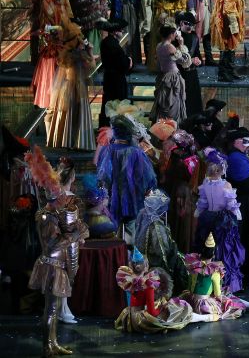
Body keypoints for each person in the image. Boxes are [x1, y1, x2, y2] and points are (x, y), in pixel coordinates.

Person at [26, 147, 88, 355]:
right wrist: (74, 235)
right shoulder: (47, 216)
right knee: (51, 308)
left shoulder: (51, 213)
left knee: (53, 308)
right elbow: (53, 245)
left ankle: (53, 343)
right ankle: (48, 346)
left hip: (56, 264)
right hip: (52, 265)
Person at [182, 233, 249, 319]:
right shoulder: (214, 272)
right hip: (204, 306)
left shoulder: (193, 266)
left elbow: (190, 287)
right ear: (213, 254)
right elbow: (218, 294)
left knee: (227, 295)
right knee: (229, 299)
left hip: (192, 301)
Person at [114, 248, 207, 332]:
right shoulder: (148, 284)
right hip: (140, 321)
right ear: (146, 265)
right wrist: (162, 309)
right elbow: (152, 312)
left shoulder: (130, 281)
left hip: (131, 317)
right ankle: (201, 317)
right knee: (178, 310)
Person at [97, 115, 158, 238]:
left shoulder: (107, 150)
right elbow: (148, 178)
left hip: (112, 202)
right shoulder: (136, 153)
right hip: (133, 201)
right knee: (132, 233)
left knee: (113, 233)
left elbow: (103, 177)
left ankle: (117, 247)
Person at [194, 150, 245, 293]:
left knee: (207, 248)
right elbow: (231, 205)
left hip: (207, 219)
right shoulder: (226, 185)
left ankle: (208, 282)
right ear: (220, 169)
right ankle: (224, 284)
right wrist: (236, 215)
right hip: (222, 221)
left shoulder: (205, 183)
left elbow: (202, 204)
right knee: (224, 250)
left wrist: (198, 213)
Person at [45, 21, 95, 151]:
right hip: (77, 88)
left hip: (66, 86)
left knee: (66, 114)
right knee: (77, 114)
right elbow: (91, 67)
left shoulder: (66, 54)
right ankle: (78, 141)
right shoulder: (79, 55)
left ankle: (64, 139)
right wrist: (90, 52)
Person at [30, 0, 71, 110]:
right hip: (50, 33)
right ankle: (50, 98)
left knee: (50, 62)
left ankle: (51, 98)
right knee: (50, 62)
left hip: (51, 32)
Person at [223, 123, 249, 287]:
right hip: (242, 204)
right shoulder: (236, 159)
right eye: (244, 141)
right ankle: (243, 278)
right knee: (243, 238)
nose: (247, 144)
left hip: (241, 202)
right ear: (236, 141)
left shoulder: (237, 156)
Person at [135, 188, 190, 293]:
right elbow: (161, 251)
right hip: (154, 263)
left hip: (143, 259)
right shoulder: (156, 227)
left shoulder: (143, 218)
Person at [148, 0, 189, 71]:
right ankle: (162, 65)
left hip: (169, 12)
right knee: (163, 37)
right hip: (164, 14)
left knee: (170, 37)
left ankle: (171, 63)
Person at [211, 0, 246, 81]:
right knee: (226, 47)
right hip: (227, 23)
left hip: (230, 22)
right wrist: (234, 27)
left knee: (230, 48)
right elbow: (228, 10)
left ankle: (230, 70)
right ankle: (223, 73)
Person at [150, 24, 191, 123]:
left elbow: (159, 63)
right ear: (170, 34)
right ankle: (171, 128)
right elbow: (184, 61)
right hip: (172, 77)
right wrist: (181, 44)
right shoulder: (170, 46)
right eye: (174, 33)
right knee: (173, 103)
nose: (175, 35)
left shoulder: (159, 45)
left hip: (163, 75)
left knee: (164, 103)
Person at [98, 18, 132, 127]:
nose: (122, 32)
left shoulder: (106, 42)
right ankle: (114, 128)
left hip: (110, 78)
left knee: (108, 102)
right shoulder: (113, 44)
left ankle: (108, 126)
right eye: (120, 30)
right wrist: (129, 61)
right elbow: (121, 62)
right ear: (115, 32)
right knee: (116, 104)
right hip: (116, 80)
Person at [175, 11, 204, 117]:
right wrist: (190, 60)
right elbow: (174, 58)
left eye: (192, 25)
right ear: (181, 23)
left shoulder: (194, 37)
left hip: (192, 75)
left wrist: (198, 61)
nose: (190, 27)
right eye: (187, 24)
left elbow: (198, 55)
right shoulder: (175, 37)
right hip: (180, 75)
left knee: (194, 104)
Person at [81, 174, 117, 239]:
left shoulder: (85, 218)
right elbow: (113, 227)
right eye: (106, 197)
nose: (108, 199)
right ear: (101, 200)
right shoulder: (103, 220)